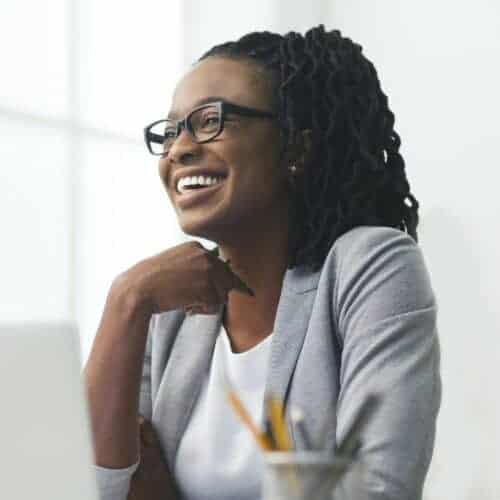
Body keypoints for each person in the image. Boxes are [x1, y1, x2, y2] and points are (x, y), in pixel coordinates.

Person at [84, 25, 441, 500]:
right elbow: (89, 489)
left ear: (296, 147)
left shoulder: (371, 267)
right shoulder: (165, 305)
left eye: (211, 120)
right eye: (170, 132)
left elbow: (376, 491)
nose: (180, 149)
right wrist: (124, 300)